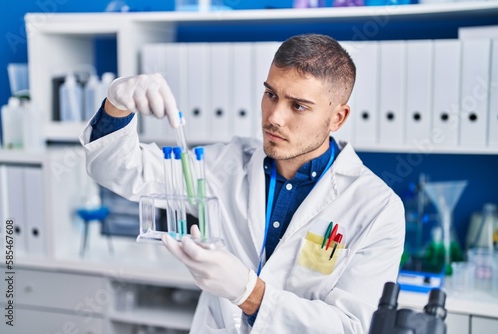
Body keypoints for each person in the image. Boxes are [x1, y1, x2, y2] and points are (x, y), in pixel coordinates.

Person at [80, 33, 405, 333]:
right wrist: (117, 105)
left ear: (337, 118)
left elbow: (352, 327)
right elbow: (118, 169)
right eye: (270, 94)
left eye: (298, 106)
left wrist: (249, 294)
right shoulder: (226, 165)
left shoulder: (376, 208)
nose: (274, 117)